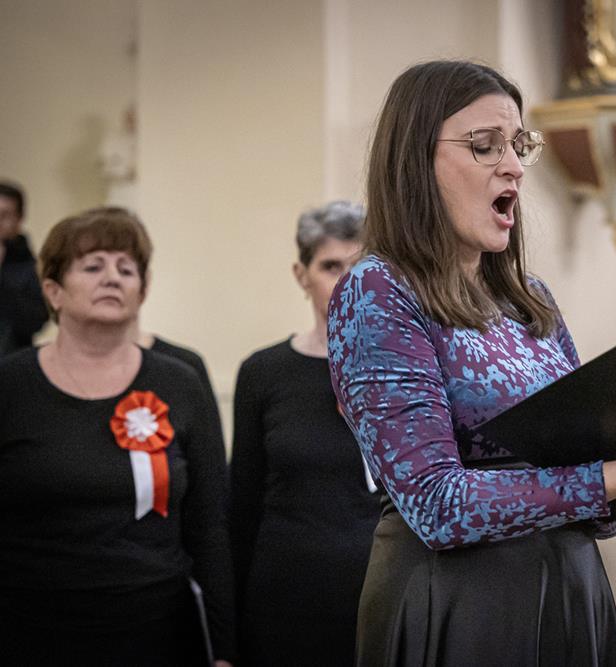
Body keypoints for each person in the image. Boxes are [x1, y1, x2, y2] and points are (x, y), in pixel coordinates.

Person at [326, 59, 616, 666]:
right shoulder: (378, 291)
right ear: (415, 162)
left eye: (519, 144)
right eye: (484, 146)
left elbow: (596, 500)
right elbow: (437, 505)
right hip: (460, 605)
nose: (514, 166)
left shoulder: (531, 299)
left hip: (569, 593)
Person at [0, 207, 235, 666]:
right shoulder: (9, 385)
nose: (113, 277)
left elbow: (211, 527)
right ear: (53, 291)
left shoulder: (181, 383)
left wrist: (224, 651)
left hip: (156, 630)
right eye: (93, 266)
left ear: (142, 291)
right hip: (27, 629)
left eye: (127, 269)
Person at [229, 200, 380, 665]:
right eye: (330, 265)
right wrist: (227, 635)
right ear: (301, 274)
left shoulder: (405, 367)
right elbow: (241, 505)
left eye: (359, 267)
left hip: (383, 592)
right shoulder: (264, 372)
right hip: (286, 602)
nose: (345, 280)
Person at [0, 180, 48, 355]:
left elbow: (35, 322)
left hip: (9, 365)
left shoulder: (33, 268)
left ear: (19, 219)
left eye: (5, 215)